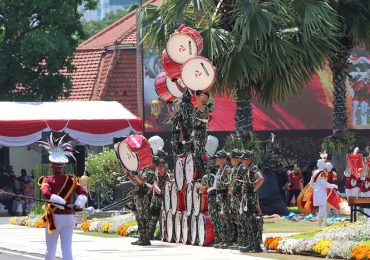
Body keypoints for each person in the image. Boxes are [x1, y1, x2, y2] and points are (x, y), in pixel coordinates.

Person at [38, 133, 88, 260]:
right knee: (67, 249)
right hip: (69, 218)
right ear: (64, 166)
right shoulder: (72, 180)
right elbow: (84, 192)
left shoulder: (47, 180)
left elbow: (46, 194)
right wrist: (77, 204)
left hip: (54, 218)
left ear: (51, 166)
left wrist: (60, 203)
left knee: (50, 250)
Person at [239, 150, 264, 253]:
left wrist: (252, 190)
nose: (242, 161)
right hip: (246, 196)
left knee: (252, 221)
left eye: (244, 159)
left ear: (248, 159)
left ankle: (255, 245)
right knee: (248, 221)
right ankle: (252, 244)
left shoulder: (253, 168)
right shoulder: (245, 168)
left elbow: (261, 179)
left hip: (250, 197)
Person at [129, 162, 156, 246]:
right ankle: (141, 237)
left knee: (144, 218)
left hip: (144, 197)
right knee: (139, 218)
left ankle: (146, 239)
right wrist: (128, 175)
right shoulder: (143, 171)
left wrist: (136, 174)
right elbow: (136, 182)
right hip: (138, 196)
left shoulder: (150, 173)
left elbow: (142, 182)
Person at [309, 158, 338, 227]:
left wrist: (316, 188)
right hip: (321, 191)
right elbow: (323, 183)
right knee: (322, 208)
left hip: (316, 192)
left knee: (323, 207)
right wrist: (332, 186)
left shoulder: (315, 172)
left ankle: (325, 222)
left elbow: (311, 183)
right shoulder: (324, 173)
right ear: (323, 164)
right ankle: (319, 224)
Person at [200, 159, 221, 245]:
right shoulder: (219, 175)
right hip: (220, 197)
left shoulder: (206, 177)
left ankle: (221, 239)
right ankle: (217, 240)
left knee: (214, 219)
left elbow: (202, 189)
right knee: (219, 219)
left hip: (212, 198)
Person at [214, 150, 232, 249]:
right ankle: (224, 240)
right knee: (222, 219)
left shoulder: (227, 169)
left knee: (226, 219)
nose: (216, 160)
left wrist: (228, 196)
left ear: (223, 159)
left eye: (218, 158)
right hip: (220, 196)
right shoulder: (220, 170)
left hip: (225, 197)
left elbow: (230, 184)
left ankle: (228, 241)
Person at [149, 157, 170, 240]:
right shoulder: (155, 176)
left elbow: (169, 185)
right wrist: (160, 192)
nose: (160, 168)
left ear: (164, 167)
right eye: (158, 166)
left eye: (161, 166)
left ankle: (163, 235)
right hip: (156, 200)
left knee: (163, 218)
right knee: (153, 218)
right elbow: (154, 185)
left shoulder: (167, 176)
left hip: (165, 200)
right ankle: (150, 235)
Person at [193, 90, 212, 179]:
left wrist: (196, 94)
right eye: (200, 95)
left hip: (201, 132)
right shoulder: (198, 107)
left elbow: (199, 105)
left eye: (203, 96)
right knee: (197, 154)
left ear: (206, 98)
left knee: (199, 155)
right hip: (197, 132)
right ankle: (200, 174)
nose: (201, 97)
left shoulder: (203, 107)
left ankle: (203, 175)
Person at [229, 149, 243, 249]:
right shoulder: (233, 169)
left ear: (238, 158)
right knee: (235, 219)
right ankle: (237, 240)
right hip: (234, 197)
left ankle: (241, 241)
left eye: (233, 157)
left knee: (240, 219)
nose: (231, 159)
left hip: (240, 197)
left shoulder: (241, 168)